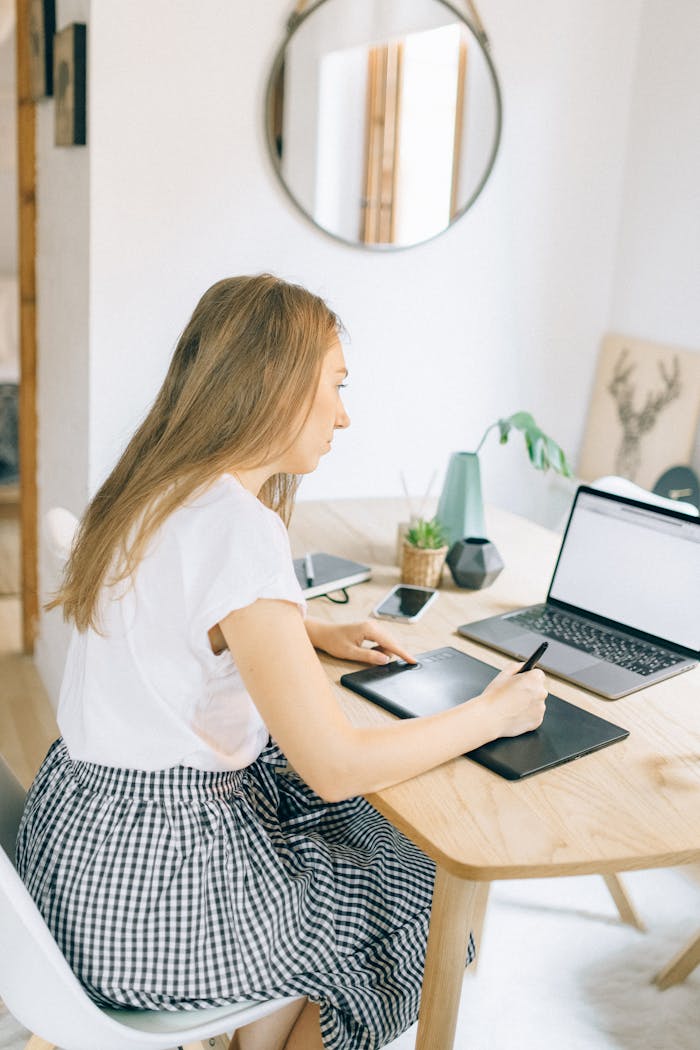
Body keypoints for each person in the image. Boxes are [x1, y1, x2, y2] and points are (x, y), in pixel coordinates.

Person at [16, 275, 547, 1050]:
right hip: (157, 896)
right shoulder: (241, 529)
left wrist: (301, 634)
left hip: (76, 851)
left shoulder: (149, 486)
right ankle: (266, 1025)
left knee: (352, 826)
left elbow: (176, 629)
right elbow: (333, 764)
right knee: (426, 881)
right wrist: (488, 715)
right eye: (335, 386)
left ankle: (260, 1024)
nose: (344, 413)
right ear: (273, 384)